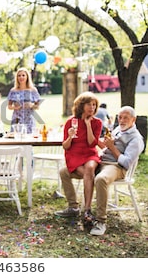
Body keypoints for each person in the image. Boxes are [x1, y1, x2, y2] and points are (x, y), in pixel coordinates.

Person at [91, 106, 144, 235]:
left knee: (101, 179)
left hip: (116, 167)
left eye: (126, 117)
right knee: (68, 170)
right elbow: (106, 147)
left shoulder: (136, 139)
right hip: (102, 161)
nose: (121, 120)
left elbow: (125, 162)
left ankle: (101, 221)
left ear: (134, 119)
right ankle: (74, 207)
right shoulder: (118, 130)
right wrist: (93, 137)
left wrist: (111, 147)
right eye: (120, 117)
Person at [55, 91, 102, 223]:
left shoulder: (97, 123)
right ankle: (74, 207)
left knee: (90, 168)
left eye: (94, 105)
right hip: (74, 155)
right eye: (89, 104)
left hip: (90, 154)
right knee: (64, 172)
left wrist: (88, 125)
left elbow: (92, 143)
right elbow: (65, 146)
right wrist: (70, 136)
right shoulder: (70, 122)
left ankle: (86, 209)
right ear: (81, 106)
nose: (92, 107)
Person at [7, 67, 41, 133]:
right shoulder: (13, 90)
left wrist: (31, 105)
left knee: (29, 139)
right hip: (17, 119)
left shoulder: (33, 90)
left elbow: (38, 106)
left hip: (29, 119)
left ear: (27, 77)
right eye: (19, 76)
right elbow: (9, 106)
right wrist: (15, 107)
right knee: (16, 140)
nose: (21, 77)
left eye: (23, 75)